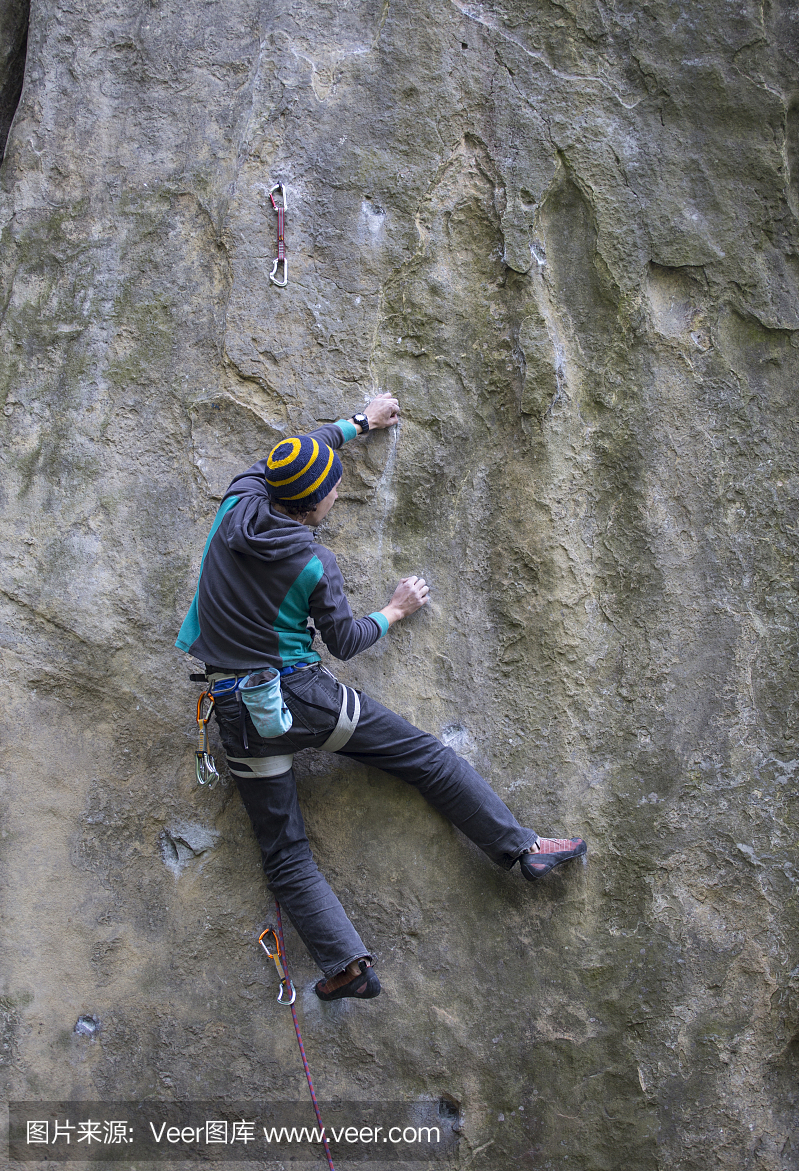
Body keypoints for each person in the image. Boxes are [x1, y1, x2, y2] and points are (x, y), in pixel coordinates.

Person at [176, 393, 586, 1001]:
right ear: (314, 506)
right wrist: (394, 610)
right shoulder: (313, 562)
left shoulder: (239, 498)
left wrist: (360, 423)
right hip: (306, 700)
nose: (337, 494)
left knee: (285, 851)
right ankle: (522, 848)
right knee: (427, 758)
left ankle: (346, 965)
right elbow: (343, 639)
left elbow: (294, 454)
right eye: (333, 490)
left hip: (236, 713)